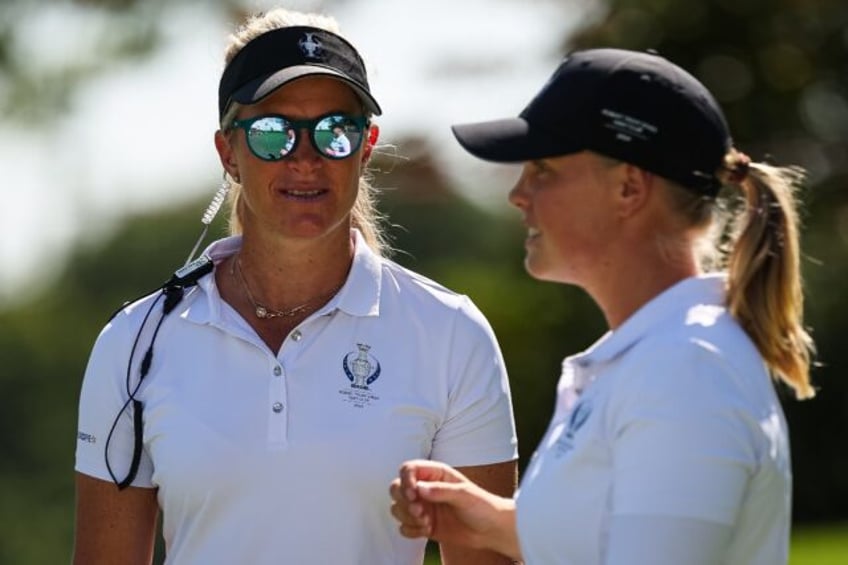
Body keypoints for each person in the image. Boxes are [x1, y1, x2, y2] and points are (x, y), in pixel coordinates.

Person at [73, 8, 518, 565]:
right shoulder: (136, 342)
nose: (304, 158)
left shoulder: (451, 334)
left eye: (335, 130)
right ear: (228, 153)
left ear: (366, 146)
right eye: (272, 132)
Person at [390, 47, 816, 564]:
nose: (518, 194)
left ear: (629, 188)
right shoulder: (658, 358)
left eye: (543, 169)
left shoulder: (686, 368)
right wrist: (495, 523)